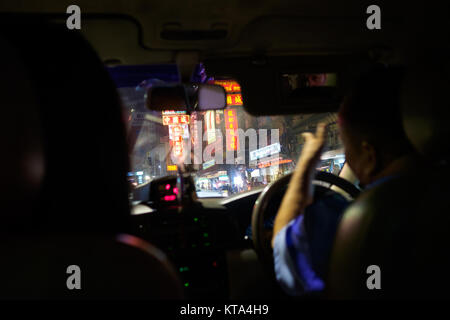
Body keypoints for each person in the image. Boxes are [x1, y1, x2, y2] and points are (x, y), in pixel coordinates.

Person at [271, 65, 417, 296]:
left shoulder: (358, 218)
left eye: (348, 148)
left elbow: (282, 248)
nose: (347, 157)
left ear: (370, 157)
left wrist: (307, 164)